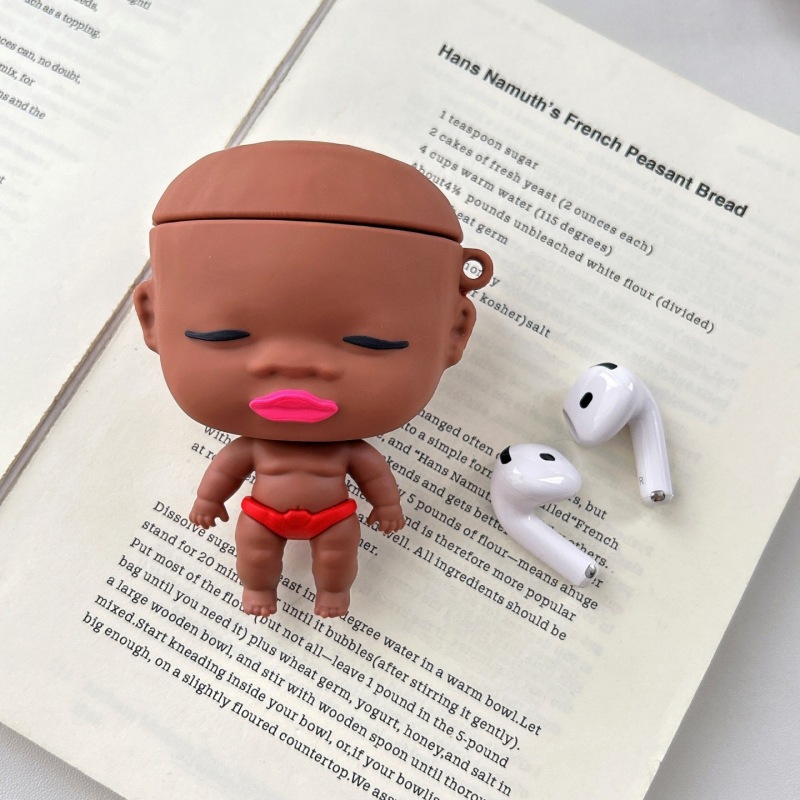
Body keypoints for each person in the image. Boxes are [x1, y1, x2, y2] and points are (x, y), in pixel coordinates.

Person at [134, 141, 492, 618]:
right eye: (224, 337)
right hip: (262, 516)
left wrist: (387, 506)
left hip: (335, 517)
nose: (296, 367)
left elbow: (373, 475)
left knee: (337, 559)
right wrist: (207, 499)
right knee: (254, 554)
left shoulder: (347, 451)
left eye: (370, 343)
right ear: (152, 317)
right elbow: (225, 471)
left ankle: (334, 594)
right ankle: (258, 591)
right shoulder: (255, 448)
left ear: (455, 330)